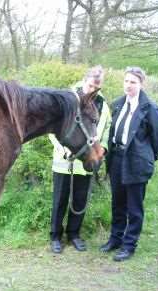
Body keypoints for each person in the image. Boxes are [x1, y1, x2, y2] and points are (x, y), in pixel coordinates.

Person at [100, 66, 158, 261]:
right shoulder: (118, 104)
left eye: (133, 82)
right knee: (117, 203)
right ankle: (115, 239)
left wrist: (148, 155)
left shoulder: (150, 108)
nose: (128, 85)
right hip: (117, 160)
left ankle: (129, 245)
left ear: (141, 84)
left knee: (134, 207)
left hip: (137, 162)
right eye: (126, 81)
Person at [49, 66, 111, 254]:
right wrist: (61, 148)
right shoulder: (68, 98)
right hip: (64, 159)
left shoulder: (102, 104)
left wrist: (103, 150)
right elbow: (53, 127)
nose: (92, 89)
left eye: (96, 87)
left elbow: (107, 128)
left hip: (87, 160)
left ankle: (74, 234)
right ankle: (55, 236)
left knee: (80, 199)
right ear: (85, 80)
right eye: (91, 85)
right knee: (59, 199)